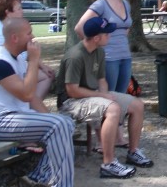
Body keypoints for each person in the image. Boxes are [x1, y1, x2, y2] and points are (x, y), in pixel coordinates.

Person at [0, 18, 91, 187]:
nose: (33, 37)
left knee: (65, 123)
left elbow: (32, 99)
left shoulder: (17, 58)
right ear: (15, 37)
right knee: (59, 124)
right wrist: (34, 60)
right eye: (29, 33)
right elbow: (26, 95)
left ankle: (37, 177)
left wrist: (52, 120)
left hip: (15, 117)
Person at [57, 16, 153, 178]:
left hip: (91, 95)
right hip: (71, 101)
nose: (110, 36)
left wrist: (105, 95)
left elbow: (101, 80)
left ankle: (133, 151)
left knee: (137, 105)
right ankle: (108, 164)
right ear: (96, 38)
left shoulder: (99, 51)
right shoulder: (75, 56)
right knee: (113, 109)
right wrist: (102, 97)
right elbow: (72, 91)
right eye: (107, 34)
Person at [0, 0, 55, 95]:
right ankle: (27, 107)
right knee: (26, 88)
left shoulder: (15, 30)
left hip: (10, 70)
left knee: (46, 76)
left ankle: (29, 108)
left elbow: (23, 54)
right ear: (8, 12)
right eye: (19, 9)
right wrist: (33, 63)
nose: (22, 11)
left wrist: (42, 66)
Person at [75, 0, 132, 96]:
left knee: (122, 96)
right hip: (108, 58)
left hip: (125, 57)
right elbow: (79, 28)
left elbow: (126, 28)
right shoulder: (101, 5)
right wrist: (94, 46)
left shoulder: (126, 5)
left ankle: (119, 116)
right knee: (108, 96)